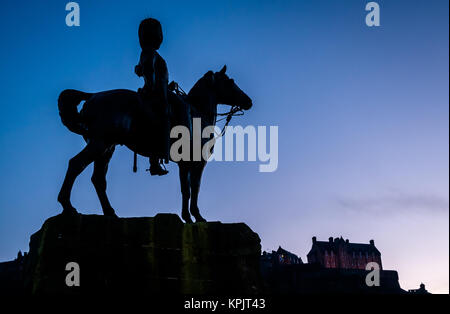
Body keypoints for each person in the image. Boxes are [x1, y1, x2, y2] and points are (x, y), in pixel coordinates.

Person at [135, 18, 170, 176]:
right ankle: (155, 161)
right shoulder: (150, 53)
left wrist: (167, 87)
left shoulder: (147, 53)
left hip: (159, 92)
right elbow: (149, 72)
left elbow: (147, 71)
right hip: (156, 95)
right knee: (164, 118)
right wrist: (153, 90)